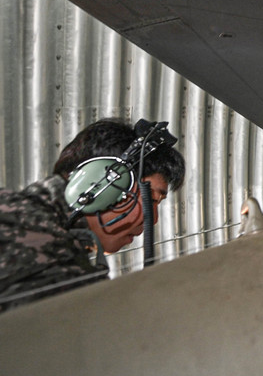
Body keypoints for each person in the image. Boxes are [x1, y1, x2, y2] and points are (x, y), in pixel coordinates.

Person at [0, 118, 185, 312]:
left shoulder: (26, 217)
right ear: (101, 182)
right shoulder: (52, 256)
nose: (152, 219)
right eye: (151, 199)